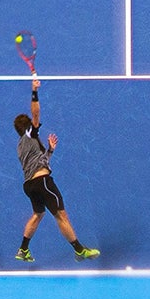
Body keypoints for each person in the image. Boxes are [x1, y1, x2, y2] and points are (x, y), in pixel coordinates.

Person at [15, 80, 97, 261]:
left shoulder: (21, 146)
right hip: (43, 182)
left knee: (38, 214)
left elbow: (38, 162)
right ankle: (79, 250)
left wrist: (50, 150)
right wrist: (34, 90)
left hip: (29, 185)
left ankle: (23, 249)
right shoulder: (31, 133)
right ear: (28, 126)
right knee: (61, 214)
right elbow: (36, 114)